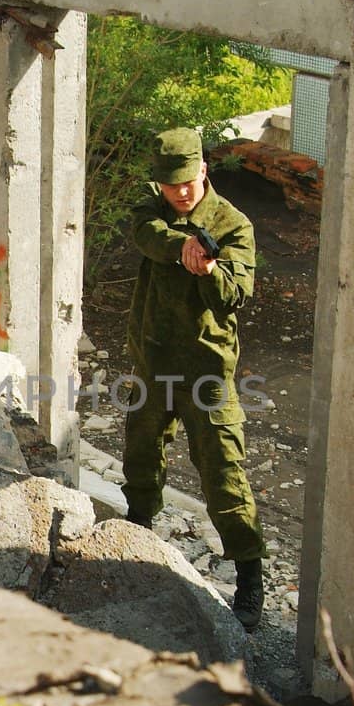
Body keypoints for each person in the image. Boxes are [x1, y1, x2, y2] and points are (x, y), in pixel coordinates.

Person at [121, 126, 265, 630]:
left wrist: (208, 271)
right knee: (140, 457)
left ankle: (249, 576)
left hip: (207, 371)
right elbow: (143, 233)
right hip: (153, 361)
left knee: (225, 474)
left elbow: (236, 295)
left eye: (188, 181)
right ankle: (136, 533)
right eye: (170, 184)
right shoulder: (154, 210)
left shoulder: (232, 225)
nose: (181, 192)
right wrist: (181, 245)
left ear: (204, 169)